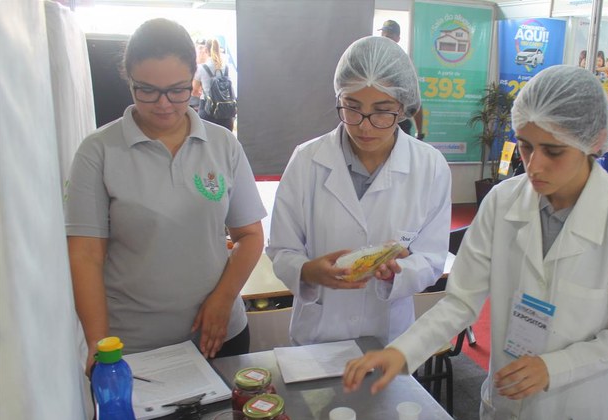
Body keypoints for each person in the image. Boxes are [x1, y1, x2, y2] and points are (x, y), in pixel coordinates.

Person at [343, 65, 608, 420]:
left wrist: (556, 367)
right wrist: (403, 351)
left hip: (573, 416)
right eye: (526, 146)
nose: (534, 165)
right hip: (504, 400)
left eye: (553, 151)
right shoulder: (503, 202)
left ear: (592, 142)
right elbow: (462, 300)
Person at [65, 18, 266, 369]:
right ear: (129, 80)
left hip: (219, 333)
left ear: (193, 79)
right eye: (147, 90)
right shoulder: (98, 151)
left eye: (177, 90)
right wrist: (98, 341)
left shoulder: (222, 144)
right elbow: (86, 255)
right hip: (136, 346)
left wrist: (223, 299)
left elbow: (249, 236)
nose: (164, 104)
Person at [265, 35, 451, 345]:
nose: (364, 126)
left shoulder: (429, 166)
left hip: (389, 338)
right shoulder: (307, 160)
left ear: (403, 107)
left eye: (382, 111)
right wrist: (308, 271)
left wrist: (398, 272)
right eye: (352, 108)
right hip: (319, 334)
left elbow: (432, 259)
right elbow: (282, 248)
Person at [378, 20, 426, 141]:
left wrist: (420, 133)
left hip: (398, 125)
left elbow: (415, 101)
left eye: (389, 36)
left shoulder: (404, 63)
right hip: (376, 121)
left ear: (398, 39)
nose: (385, 39)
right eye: (383, 35)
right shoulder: (374, 60)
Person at [193, 37, 235, 131]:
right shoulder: (226, 67)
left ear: (206, 50)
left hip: (207, 110)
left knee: (207, 137)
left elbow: (194, 91)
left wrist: (204, 93)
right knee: (225, 138)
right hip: (225, 110)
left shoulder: (201, 68)